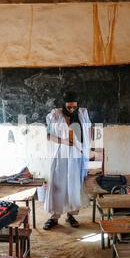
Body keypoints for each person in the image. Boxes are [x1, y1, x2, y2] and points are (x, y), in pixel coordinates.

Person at [43, 91, 92, 230]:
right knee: (57, 186)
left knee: (73, 185)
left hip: (76, 156)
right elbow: (48, 136)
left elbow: (88, 134)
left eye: (74, 107)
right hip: (59, 156)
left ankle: (71, 215)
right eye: (69, 107)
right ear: (64, 105)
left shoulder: (82, 114)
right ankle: (54, 217)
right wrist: (63, 141)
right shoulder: (55, 115)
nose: (71, 110)